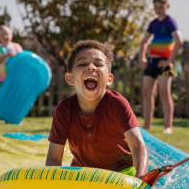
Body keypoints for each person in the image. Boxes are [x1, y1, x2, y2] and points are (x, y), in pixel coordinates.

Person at [46, 40, 148, 178]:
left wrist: (141, 177)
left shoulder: (117, 104)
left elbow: (137, 146)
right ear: (70, 78)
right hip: (82, 174)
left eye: (99, 64)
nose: (91, 67)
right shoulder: (64, 110)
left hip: (121, 173)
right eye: (82, 64)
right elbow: (53, 158)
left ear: (109, 79)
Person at [138, 0, 183, 134]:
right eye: (156, 7)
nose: (159, 10)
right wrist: (142, 58)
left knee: (164, 93)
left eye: (161, 7)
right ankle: (146, 124)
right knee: (146, 92)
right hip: (151, 61)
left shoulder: (170, 22)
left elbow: (179, 40)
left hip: (164, 63)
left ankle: (168, 126)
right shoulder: (153, 23)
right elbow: (144, 41)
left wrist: (169, 61)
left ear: (167, 7)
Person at [0, 25, 22, 122]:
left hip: (13, 79)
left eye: (7, 34)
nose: (5, 37)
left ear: (11, 35)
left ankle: (11, 118)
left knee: (12, 98)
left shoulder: (16, 47)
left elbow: (21, 60)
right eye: (2, 35)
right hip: (0, 78)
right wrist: (6, 55)